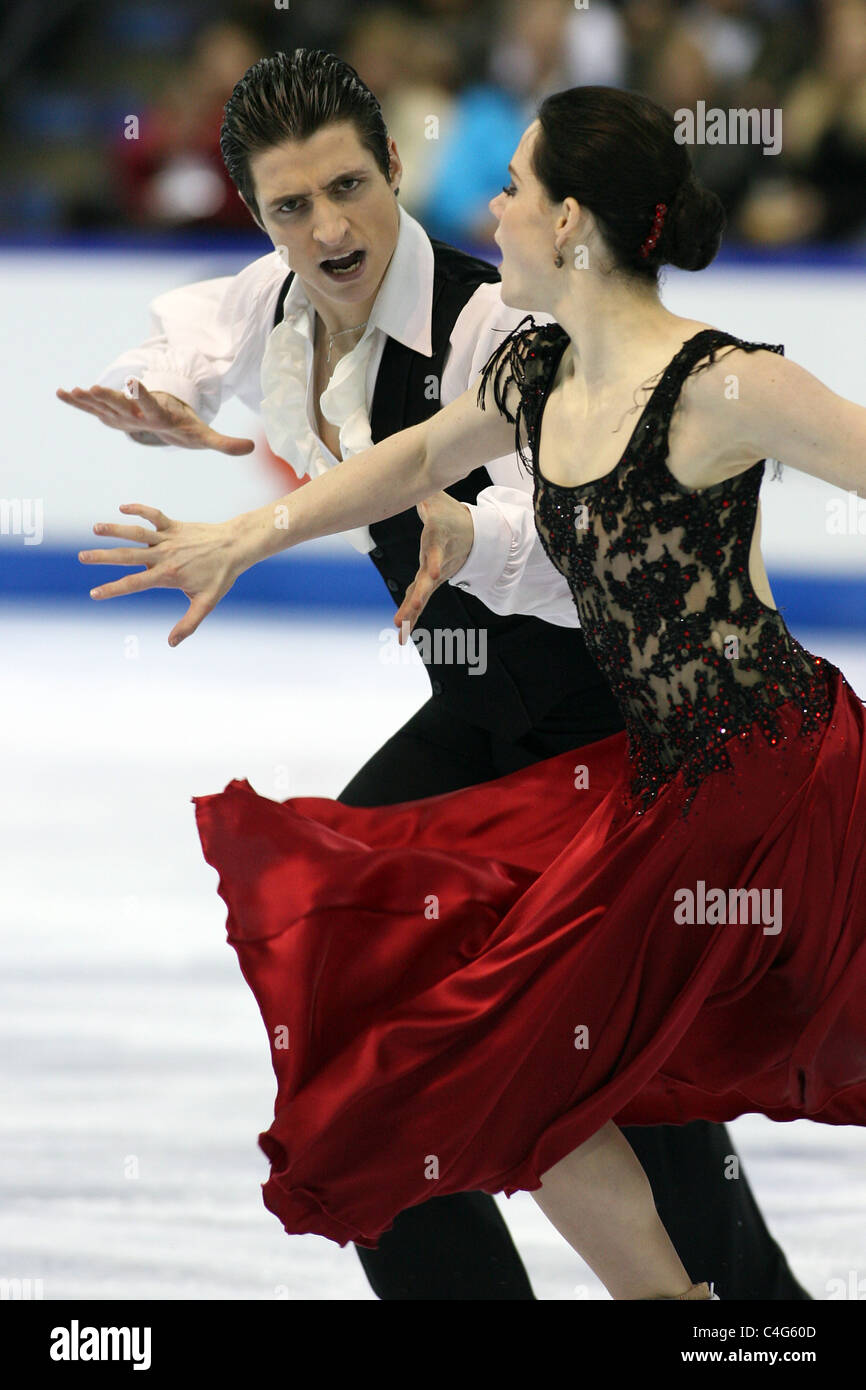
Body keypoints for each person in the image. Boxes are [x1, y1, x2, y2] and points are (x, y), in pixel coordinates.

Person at [72, 78, 866, 1300]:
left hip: (725, 766)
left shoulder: (657, 367)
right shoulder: (517, 366)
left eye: (510, 186)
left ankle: (726, 1312)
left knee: (569, 1060)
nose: (489, 209)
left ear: (565, 221)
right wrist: (234, 527)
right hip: (613, 766)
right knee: (441, 1022)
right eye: (291, 206)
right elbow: (395, 453)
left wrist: (474, 536)